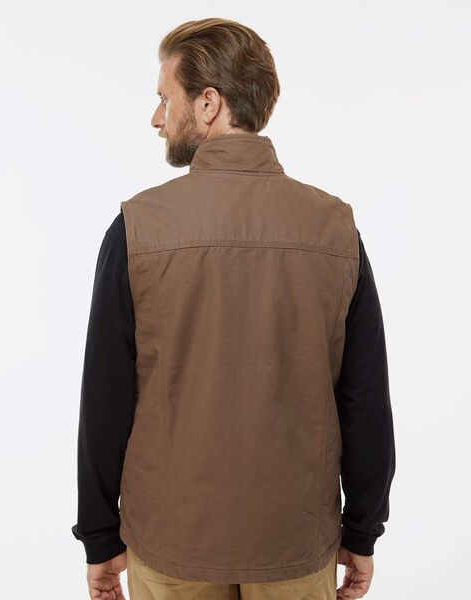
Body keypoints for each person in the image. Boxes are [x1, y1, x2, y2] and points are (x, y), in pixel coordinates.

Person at [71, 17, 396, 600]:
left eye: (165, 99)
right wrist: (363, 529)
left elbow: (106, 396)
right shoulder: (334, 229)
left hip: (173, 542)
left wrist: (99, 536)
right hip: (295, 542)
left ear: (208, 103)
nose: (156, 118)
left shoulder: (137, 229)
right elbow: (364, 396)